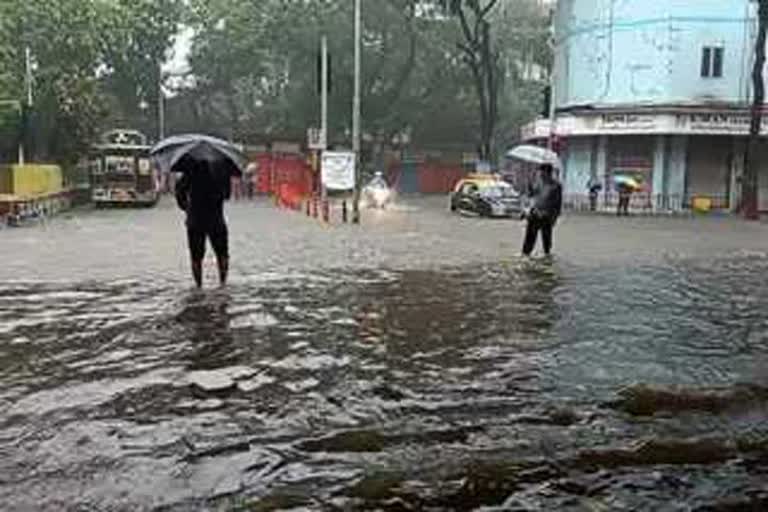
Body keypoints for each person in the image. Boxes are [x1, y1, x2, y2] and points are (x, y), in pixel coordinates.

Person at [175, 160, 231, 288]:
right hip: (216, 218)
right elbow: (227, 195)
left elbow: (179, 193)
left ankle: (198, 285)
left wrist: (186, 208)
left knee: (196, 256)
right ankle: (223, 283)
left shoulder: (189, 171)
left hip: (195, 219)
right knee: (222, 253)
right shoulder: (221, 171)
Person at [522, 164, 563, 257]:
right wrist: (529, 186)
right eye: (540, 172)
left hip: (546, 216)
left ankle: (547, 255)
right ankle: (526, 254)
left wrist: (554, 218)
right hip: (534, 214)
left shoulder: (556, 186)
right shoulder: (537, 183)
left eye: (542, 172)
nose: (540, 174)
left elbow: (558, 204)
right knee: (529, 237)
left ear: (548, 173)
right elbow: (531, 195)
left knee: (546, 240)